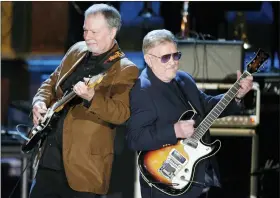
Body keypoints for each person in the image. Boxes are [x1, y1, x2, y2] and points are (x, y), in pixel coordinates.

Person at [126, 29, 253, 198]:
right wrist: (174, 131)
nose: (173, 62)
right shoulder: (142, 90)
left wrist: (237, 95)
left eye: (175, 55)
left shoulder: (183, 78)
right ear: (149, 59)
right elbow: (135, 139)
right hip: (166, 186)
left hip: (198, 178)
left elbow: (206, 106)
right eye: (165, 58)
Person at [29, 4, 139, 198]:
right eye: (85, 30)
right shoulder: (77, 50)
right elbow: (51, 82)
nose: (87, 36)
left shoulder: (124, 69)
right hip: (49, 161)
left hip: (84, 169)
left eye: (94, 31)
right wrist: (39, 102)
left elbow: (122, 114)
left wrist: (92, 97)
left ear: (112, 32)